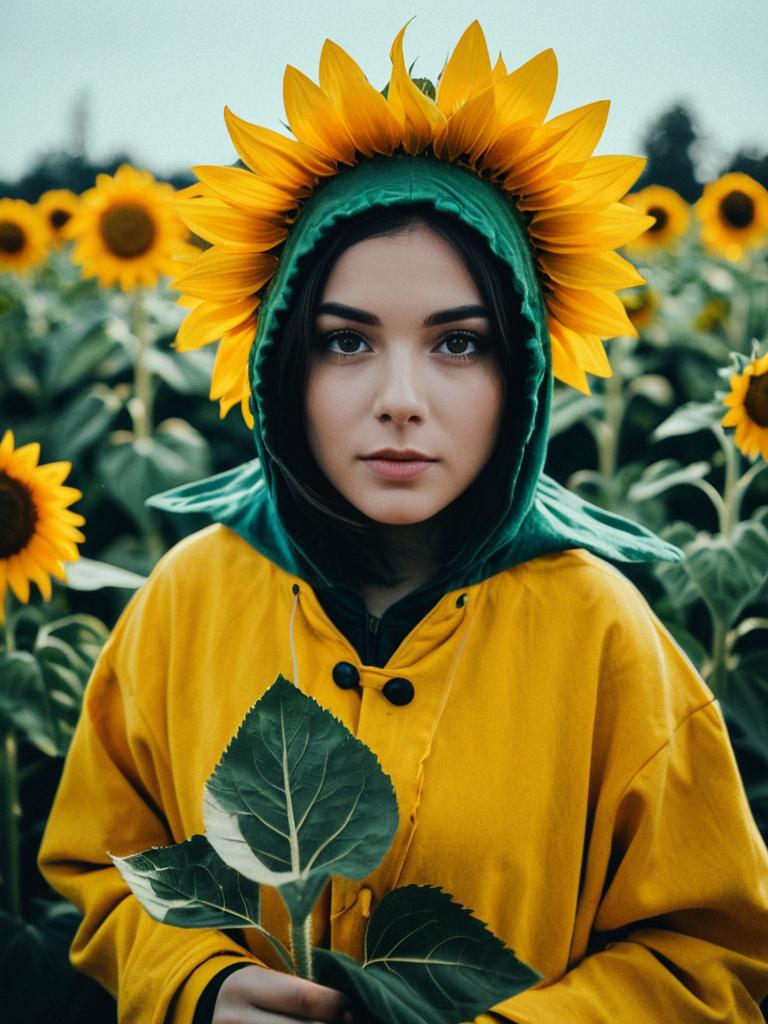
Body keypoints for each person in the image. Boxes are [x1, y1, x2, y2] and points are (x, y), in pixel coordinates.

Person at [39, 22, 768, 1024]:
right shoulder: (186, 600)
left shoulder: (605, 638)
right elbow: (100, 865)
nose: (400, 398)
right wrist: (197, 987)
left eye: (458, 343)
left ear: (524, 372)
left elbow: (711, 954)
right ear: (281, 362)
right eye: (346, 341)